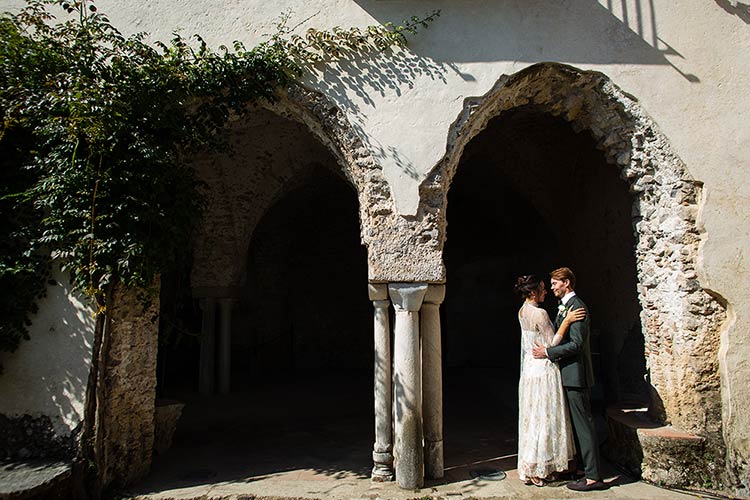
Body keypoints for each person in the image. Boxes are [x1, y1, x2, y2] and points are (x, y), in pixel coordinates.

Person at [532, 267, 605, 491]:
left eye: (555, 283)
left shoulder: (578, 307)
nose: (552, 287)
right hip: (566, 373)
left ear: (566, 283)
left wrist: (548, 353)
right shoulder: (566, 308)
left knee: (583, 424)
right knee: (576, 424)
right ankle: (583, 468)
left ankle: (593, 476)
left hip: (576, 374)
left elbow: (577, 344)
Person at [514, 274, 584, 487]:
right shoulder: (540, 313)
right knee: (545, 418)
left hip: (529, 369)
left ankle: (532, 465)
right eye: (543, 289)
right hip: (543, 369)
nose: (546, 292)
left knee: (532, 417)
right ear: (533, 292)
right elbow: (551, 343)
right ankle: (541, 466)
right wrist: (567, 321)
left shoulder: (522, 311)